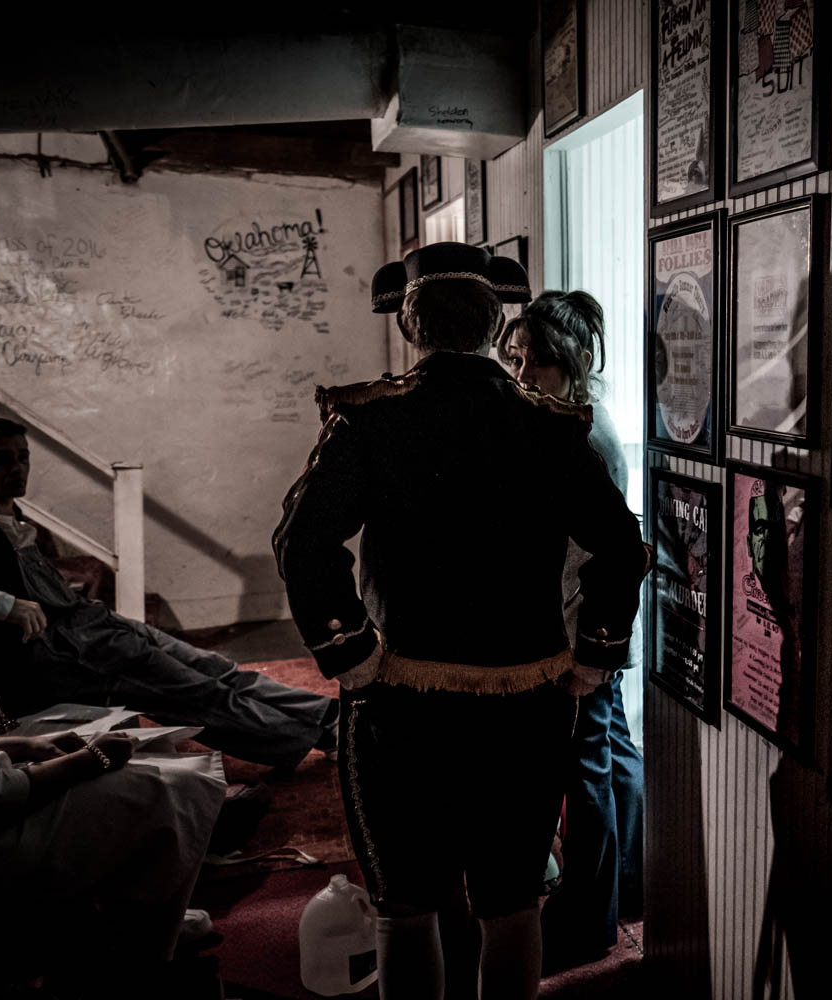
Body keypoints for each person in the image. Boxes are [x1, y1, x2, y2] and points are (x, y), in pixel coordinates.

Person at [274, 242, 649, 1000]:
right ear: (495, 324)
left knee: (407, 904)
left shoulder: (369, 420)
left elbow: (301, 542)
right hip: (528, 700)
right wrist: (595, 654)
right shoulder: (552, 425)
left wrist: (349, 650)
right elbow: (621, 547)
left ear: (409, 325)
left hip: (399, 696)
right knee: (511, 902)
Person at [0, 416, 338, 770]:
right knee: (198, 693)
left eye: (22, 457)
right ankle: (318, 736)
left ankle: (332, 715)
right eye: (1, 460)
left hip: (94, 622)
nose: (17, 468)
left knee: (216, 668)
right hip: (65, 648)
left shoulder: (12, 513)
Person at [496, 289, 645, 971]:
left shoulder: (578, 433)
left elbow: (593, 554)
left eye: (537, 362)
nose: (522, 375)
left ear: (576, 362)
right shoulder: (582, 418)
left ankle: (588, 919)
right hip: (591, 623)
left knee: (584, 769)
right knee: (611, 751)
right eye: (514, 359)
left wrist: (580, 650)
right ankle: (626, 886)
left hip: (580, 629)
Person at [0, 646, 225, 994]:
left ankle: (142, 917)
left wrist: (23, 745)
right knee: (173, 786)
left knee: (149, 752)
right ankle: (141, 953)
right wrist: (93, 758)